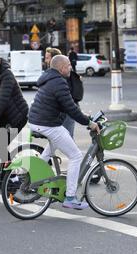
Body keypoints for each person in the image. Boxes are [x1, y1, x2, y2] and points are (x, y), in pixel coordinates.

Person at [29, 55, 100, 210]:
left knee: (52, 147)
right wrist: (89, 122)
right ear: (61, 67)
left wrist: (85, 117)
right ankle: (70, 198)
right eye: (68, 65)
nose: (70, 68)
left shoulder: (48, 79)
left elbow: (66, 106)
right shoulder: (59, 82)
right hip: (48, 124)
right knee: (75, 156)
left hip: (37, 121)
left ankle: (33, 177)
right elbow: (71, 108)